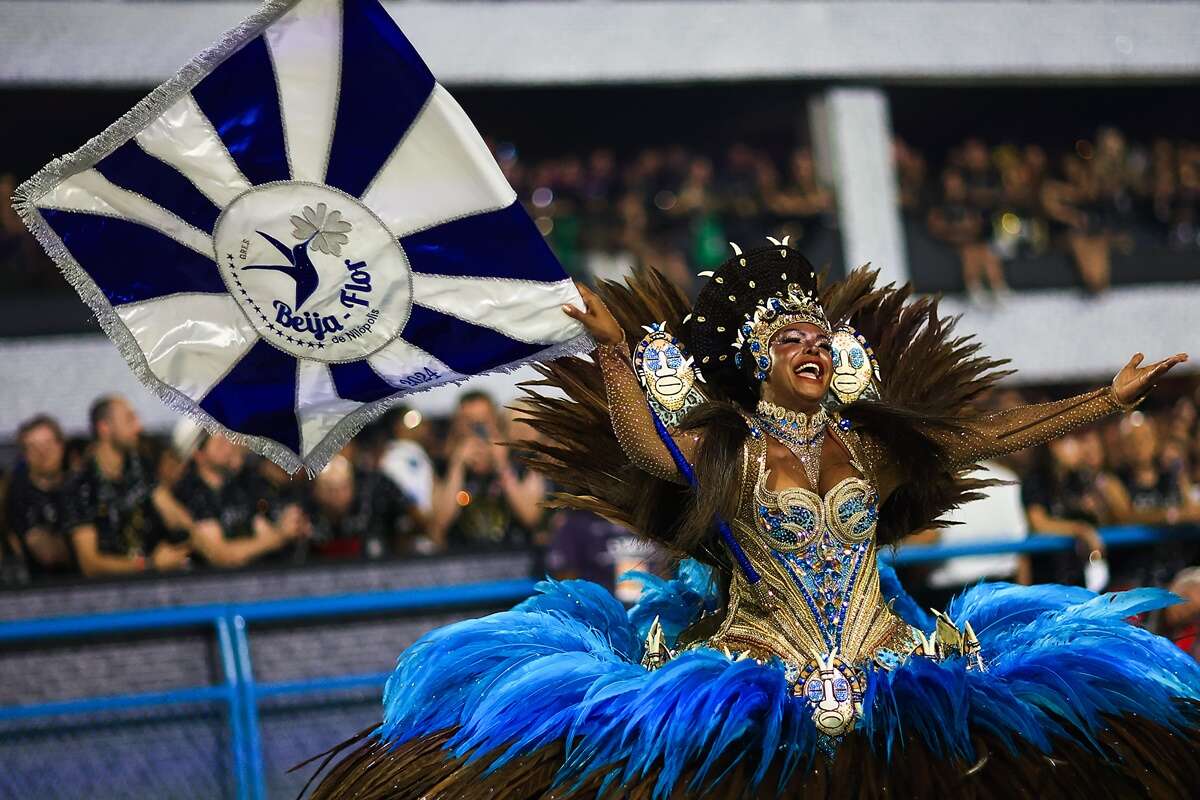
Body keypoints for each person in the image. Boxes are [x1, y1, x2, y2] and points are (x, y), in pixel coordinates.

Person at [307, 247, 1199, 797]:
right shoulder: (725, 449)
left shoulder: (870, 445)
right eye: (789, 341)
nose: (811, 350)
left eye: (820, 340)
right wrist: (615, 355)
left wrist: (1106, 400)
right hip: (755, 680)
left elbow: (988, 435)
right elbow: (647, 447)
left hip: (895, 669)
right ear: (756, 360)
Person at [64, 395, 192, 577]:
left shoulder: (138, 468)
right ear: (104, 428)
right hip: (107, 594)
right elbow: (90, 564)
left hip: (152, 581)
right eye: (129, 419)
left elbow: (176, 516)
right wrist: (150, 564)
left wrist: (200, 542)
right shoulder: (81, 486)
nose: (138, 427)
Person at [429, 391, 546, 551]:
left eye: (483, 421)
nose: (478, 429)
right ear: (458, 424)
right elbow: (439, 522)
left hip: (515, 559)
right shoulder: (444, 465)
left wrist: (502, 464)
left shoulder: (522, 460)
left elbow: (531, 516)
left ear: (495, 420)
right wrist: (457, 466)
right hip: (462, 560)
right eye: (469, 422)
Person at [171, 433, 306, 568]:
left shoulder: (238, 486)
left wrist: (287, 526)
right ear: (198, 454)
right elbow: (221, 555)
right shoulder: (191, 494)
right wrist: (280, 536)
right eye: (220, 443)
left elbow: (263, 531)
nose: (230, 445)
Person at [305, 454, 416, 561]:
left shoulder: (372, 504)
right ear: (316, 491)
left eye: (343, 487)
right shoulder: (305, 516)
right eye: (330, 489)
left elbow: (408, 520)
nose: (337, 496)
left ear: (352, 487)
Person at [4, 415, 74, 579]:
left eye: (48, 444)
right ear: (24, 455)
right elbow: (48, 555)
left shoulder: (78, 484)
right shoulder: (19, 492)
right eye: (33, 447)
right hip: (43, 588)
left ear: (61, 446)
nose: (43, 453)